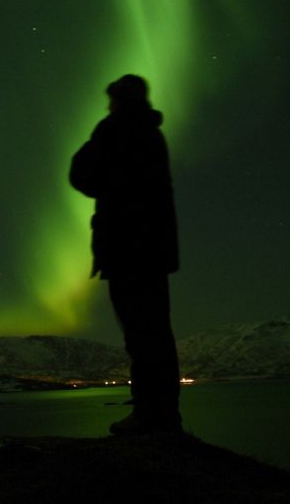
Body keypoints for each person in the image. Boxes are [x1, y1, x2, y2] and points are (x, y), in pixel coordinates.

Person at [70, 74, 182, 435]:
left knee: (142, 334)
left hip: (128, 248)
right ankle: (161, 416)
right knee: (154, 333)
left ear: (119, 102)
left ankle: (152, 418)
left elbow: (81, 174)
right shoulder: (150, 134)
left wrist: (105, 128)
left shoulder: (120, 130)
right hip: (152, 248)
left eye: (112, 102)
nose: (108, 107)